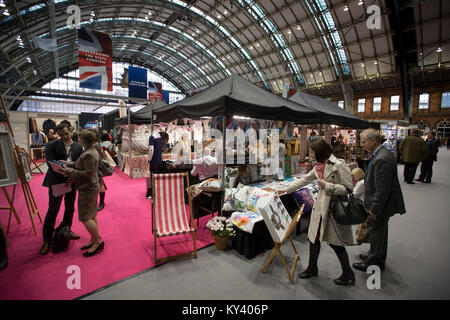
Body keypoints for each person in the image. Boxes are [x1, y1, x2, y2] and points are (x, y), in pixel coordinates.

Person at [280, 140, 356, 286]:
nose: (311, 154)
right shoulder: (318, 166)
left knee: (335, 243)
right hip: (320, 208)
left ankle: (348, 273)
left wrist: (327, 185)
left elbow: (348, 188)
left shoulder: (339, 165)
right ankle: (312, 268)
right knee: (313, 238)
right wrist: (285, 190)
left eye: (313, 152)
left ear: (319, 152)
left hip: (333, 210)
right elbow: (304, 180)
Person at [353, 129, 406, 272]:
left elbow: (382, 190)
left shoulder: (382, 158)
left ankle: (373, 263)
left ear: (374, 141)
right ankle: (376, 257)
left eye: (364, 142)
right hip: (381, 203)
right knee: (379, 233)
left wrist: (374, 209)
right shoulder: (381, 154)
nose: (362, 144)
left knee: (377, 233)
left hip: (380, 205)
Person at [40, 123, 83, 255]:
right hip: (57, 182)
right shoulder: (52, 145)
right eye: (61, 135)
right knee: (53, 210)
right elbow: (50, 163)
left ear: (70, 130)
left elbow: (80, 163)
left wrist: (72, 177)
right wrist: (65, 175)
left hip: (72, 182)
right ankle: (47, 240)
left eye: (66, 133)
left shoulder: (77, 146)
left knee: (70, 207)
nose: (64, 136)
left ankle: (66, 230)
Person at [63, 130, 104, 257]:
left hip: (88, 187)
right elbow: (81, 165)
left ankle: (97, 241)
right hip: (89, 187)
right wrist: (68, 164)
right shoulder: (88, 151)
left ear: (85, 140)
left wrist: (69, 170)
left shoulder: (90, 153)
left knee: (85, 217)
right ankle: (94, 238)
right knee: (91, 216)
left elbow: (88, 173)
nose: (78, 140)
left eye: (79, 138)